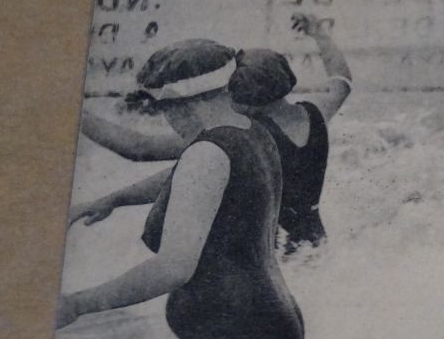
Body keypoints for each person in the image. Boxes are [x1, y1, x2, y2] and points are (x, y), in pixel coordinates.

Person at [56, 40, 305, 339]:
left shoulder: (207, 152)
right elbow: (189, 179)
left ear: (176, 103)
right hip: (263, 326)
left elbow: (173, 268)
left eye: (161, 109)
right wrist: (113, 199)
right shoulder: (250, 132)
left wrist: (79, 304)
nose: (165, 120)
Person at [71, 13, 352, 252]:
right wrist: (320, 35)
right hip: (314, 246)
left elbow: (141, 148)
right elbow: (341, 81)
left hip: (267, 258)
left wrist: (75, 114)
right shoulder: (315, 113)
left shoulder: (247, 137)